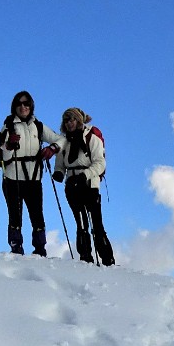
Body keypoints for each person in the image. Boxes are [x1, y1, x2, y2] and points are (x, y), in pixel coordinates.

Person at [45, 108, 113, 265]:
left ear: (79, 120)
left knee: (96, 222)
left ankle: (106, 258)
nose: (69, 123)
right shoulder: (64, 141)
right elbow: (60, 163)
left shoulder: (91, 138)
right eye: (67, 120)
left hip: (89, 184)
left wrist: (85, 175)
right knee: (81, 222)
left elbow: (100, 163)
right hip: (72, 184)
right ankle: (86, 257)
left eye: (72, 119)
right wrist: (59, 173)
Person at [0, 91, 57, 256]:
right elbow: (3, 155)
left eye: (26, 103)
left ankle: (39, 248)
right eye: (19, 104)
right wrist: (9, 145)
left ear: (31, 106)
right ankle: (16, 247)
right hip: (12, 178)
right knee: (15, 216)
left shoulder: (38, 126)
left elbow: (59, 139)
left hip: (33, 179)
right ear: (14, 107)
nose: (23, 107)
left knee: (37, 215)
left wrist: (53, 148)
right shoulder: (9, 126)